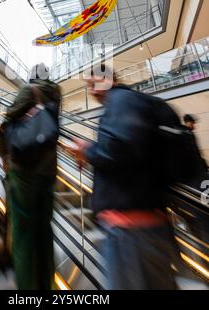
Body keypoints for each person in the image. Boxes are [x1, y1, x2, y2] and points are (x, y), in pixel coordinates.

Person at [68, 63, 181, 290]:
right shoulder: (138, 104)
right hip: (151, 226)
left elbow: (118, 152)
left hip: (130, 233)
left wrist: (87, 150)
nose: (92, 91)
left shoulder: (121, 102)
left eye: (93, 84)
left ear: (108, 79)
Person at [0, 63, 61, 290]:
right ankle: (47, 286)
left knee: (23, 233)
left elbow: (7, 123)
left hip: (24, 171)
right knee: (43, 230)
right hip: (48, 172)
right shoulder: (55, 94)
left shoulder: (28, 91)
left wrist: (4, 154)